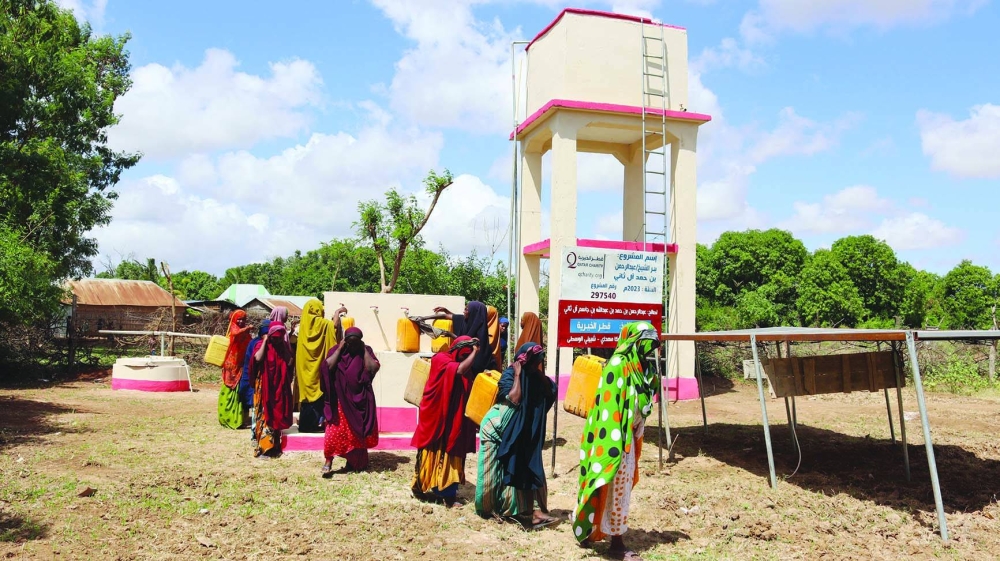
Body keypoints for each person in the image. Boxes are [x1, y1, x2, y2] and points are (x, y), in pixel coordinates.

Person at [572, 322, 662, 561]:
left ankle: (591, 531)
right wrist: (617, 445)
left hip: (627, 439)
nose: (649, 349)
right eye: (645, 343)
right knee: (607, 484)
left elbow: (643, 400)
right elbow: (609, 410)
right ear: (633, 341)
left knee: (617, 491)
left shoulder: (640, 368)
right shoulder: (617, 366)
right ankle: (616, 544)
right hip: (611, 439)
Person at [475, 342, 558, 528]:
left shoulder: (536, 377)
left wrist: (536, 372)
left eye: (538, 362)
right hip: (498, 429)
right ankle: (492, 507)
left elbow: (550, 391)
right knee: (502, 468)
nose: (535, 366)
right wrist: (519, 374)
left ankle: (534, 511)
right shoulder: (510, 375)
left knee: (530, 466)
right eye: (533, 362)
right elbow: (514, 398)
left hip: (523, 432)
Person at [409, 336, 481, 507]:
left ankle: (448, 495)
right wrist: (475, 353)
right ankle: (420, 487)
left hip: (453, 419)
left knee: (452, 451)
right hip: (437, 416)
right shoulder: (441, 359)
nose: (466, 360)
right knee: (430, 451)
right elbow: (458, 371)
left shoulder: (464, 365)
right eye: (464, 356)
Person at [319, 326, 380, 476]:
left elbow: (373, 368)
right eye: (349, 343)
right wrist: (340, 349)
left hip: (360, 400)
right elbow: (327, 367)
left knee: (355, 435)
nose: (352, 346)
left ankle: (351, 461)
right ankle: (329, 460)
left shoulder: (365, 351)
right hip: (340, 400)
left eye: (355, 343)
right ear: (345, 341)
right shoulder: (336, 350)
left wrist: (363, 349)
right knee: (334, 431)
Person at [295, 299, 347, 432]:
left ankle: (305, 425)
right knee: (317, 393)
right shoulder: (319, 322)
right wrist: (337, 313)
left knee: (307, 397)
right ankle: (310, 426)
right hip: (316, 368)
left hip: (304, 366)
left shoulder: (304, 323)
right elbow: (334, 326)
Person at [249, 321, 294, 458]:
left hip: (279, 387)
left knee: (277, 414)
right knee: (265, 415)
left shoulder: (283, 347)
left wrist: (284, 344)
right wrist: (265, 341)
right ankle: (264, 448)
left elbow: (290, 361)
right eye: (275, 338)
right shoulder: (261, 345)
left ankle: (275, 446)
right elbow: (257, 358)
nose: (277, 340)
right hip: (265, 387)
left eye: (280, 338)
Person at [432, 301, 496, 373]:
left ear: (473, 312)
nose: (464, 311)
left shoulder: (479, 339)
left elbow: (464, 343)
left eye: (466, 309)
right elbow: (448, 316)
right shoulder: (467, 322)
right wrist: (423, 318)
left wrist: (450, 334)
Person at [218, 310, 253, 430]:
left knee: (240, 392)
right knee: (231, 391)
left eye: (243, 319)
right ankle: (228, 418)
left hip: (241, 366)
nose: (241, 321)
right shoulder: (234, 328)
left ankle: (240, 419)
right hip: (232, 366)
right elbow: (236, 333)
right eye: (239, 319)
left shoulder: (245, 332)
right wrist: (248, 328)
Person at [240, 319, 270, 433]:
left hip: (264, 378)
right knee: (254, 402)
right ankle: (254, 428)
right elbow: (254, 359)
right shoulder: (255, 343)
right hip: (255, 376)